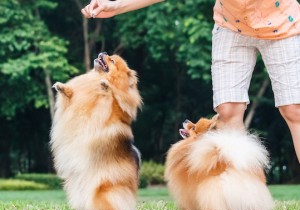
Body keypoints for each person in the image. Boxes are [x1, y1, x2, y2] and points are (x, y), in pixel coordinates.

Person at [81, 0, 300, 162]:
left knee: (294, 109)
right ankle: (244, 196)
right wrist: (115, 5)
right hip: (231, 27)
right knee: (227, 110)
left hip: (283, 26)